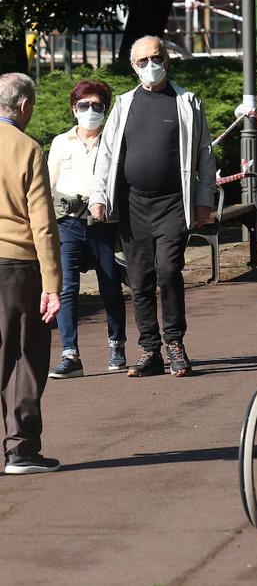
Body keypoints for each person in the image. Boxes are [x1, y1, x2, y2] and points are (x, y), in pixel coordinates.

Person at [89, 36, 215, 378]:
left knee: (168, 270)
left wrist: (205, 200)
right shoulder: (124, 103)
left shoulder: (187, 102)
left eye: (155, 58)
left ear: (167, 59)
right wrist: (99, 195)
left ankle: (174, 343)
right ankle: (150, 350)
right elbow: (108, 154)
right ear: (133, 66)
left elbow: (204, 153)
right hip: (133, 204)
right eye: (142, 61)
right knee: (140, 278)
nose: (150, 65)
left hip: (174, 203)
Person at [0, 73, 62, 473]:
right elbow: (42, 224)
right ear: (24, 107)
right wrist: (53, 284)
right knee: (23, 354)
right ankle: (21, 449)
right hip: (17, 265)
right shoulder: (27, 149)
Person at [47, 80, 128, 378]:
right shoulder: (60, 142)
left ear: (105, 110)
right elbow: (47, 184)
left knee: (110, 285)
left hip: (104, 223)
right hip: (68, 223)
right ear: (74, 109)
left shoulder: (115, 141)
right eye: (84, 105)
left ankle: (116, 344)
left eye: (97, 106)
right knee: (67, 289)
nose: (90, 111)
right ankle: (70, 354)